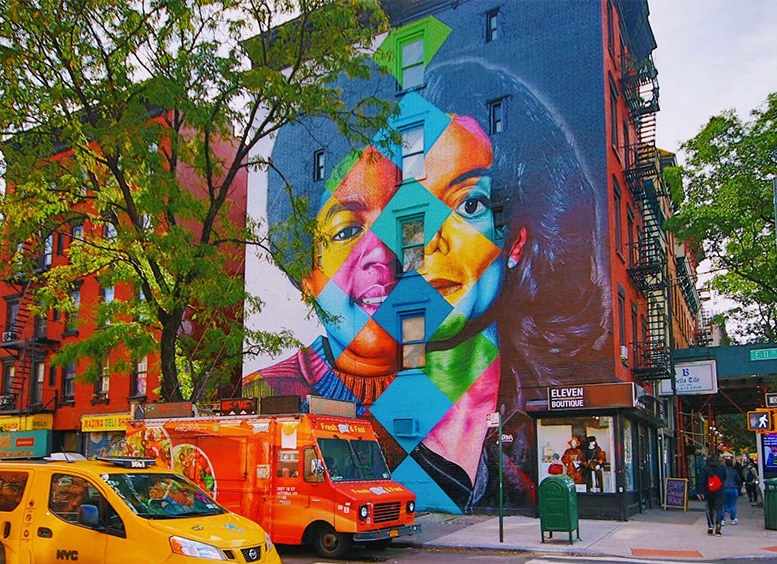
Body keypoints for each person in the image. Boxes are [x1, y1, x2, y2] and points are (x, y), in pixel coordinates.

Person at [245, 58, 604, 514]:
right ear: (306, 276)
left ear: (515, 239)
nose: (406, 247)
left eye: (468, 204)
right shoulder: (277, 396)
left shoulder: (530, 404)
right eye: (347, 231)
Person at [696, 453, 726, 535]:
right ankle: (718, 523)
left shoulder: (704, 468)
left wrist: (700, 492)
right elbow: (724, 477)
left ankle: (710, 525)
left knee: (709, 509)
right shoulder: (722, 467)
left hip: (708, 491)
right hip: (719, 491)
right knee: (719, 509)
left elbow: (701, 481)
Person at [719, 452, 743, 525]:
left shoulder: (722, 471)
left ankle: (722, 520)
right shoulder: (734, 471)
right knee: (733, 504)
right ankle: (733, 519)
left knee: (723, 504)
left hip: (724, 488)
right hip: (733, 489)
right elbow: (739, 480)